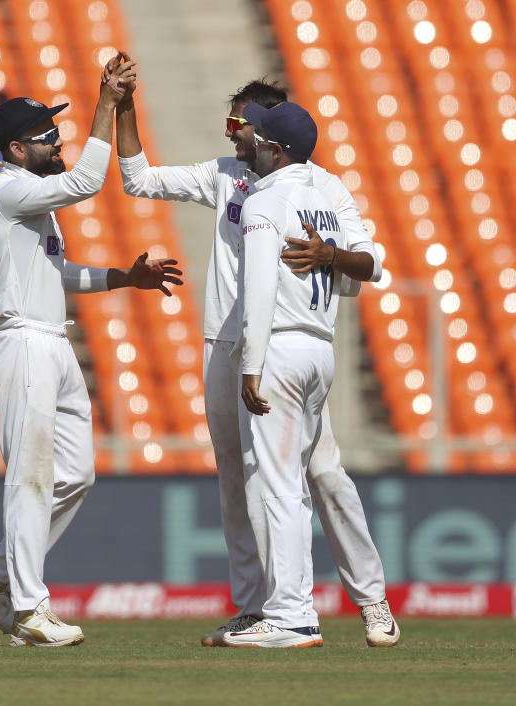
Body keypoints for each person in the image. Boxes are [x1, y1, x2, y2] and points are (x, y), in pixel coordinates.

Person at [112, 66, 399, 647]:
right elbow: (139, 179)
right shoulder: (225, 175)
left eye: (236, 123)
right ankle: (254, 605)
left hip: (285, 343)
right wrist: (122, 106)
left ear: (265, 127)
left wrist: (330, 255)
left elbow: (370, 264)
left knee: (322, 474)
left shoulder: (322, 185)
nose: (229, 136)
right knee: (237, 477)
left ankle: (370, 600)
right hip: (227, 340)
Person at [0, 59, 183, 647]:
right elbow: (87, 181)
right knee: (29, 476)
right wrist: (105, 104)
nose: (59, 143)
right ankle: (29, 610)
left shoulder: (33, 198)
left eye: (59, 134)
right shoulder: (7, 189)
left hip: (51, 340)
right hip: (23, 339)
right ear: (15, 149)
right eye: (47, 138)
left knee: (75, 472)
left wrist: (122, 279)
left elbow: (58, 272)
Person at [226, 100, 348, 646]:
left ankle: (292, 615)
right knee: (293, 486)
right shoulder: (322, 201)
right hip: (320, 345)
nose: (249, 142)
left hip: (280, 347)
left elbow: (258, 291)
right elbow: (351, 275)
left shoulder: (265, 201)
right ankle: (297, 609)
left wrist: (250, 365)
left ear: (274, 148)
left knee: (277, 486)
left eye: (258, 137)